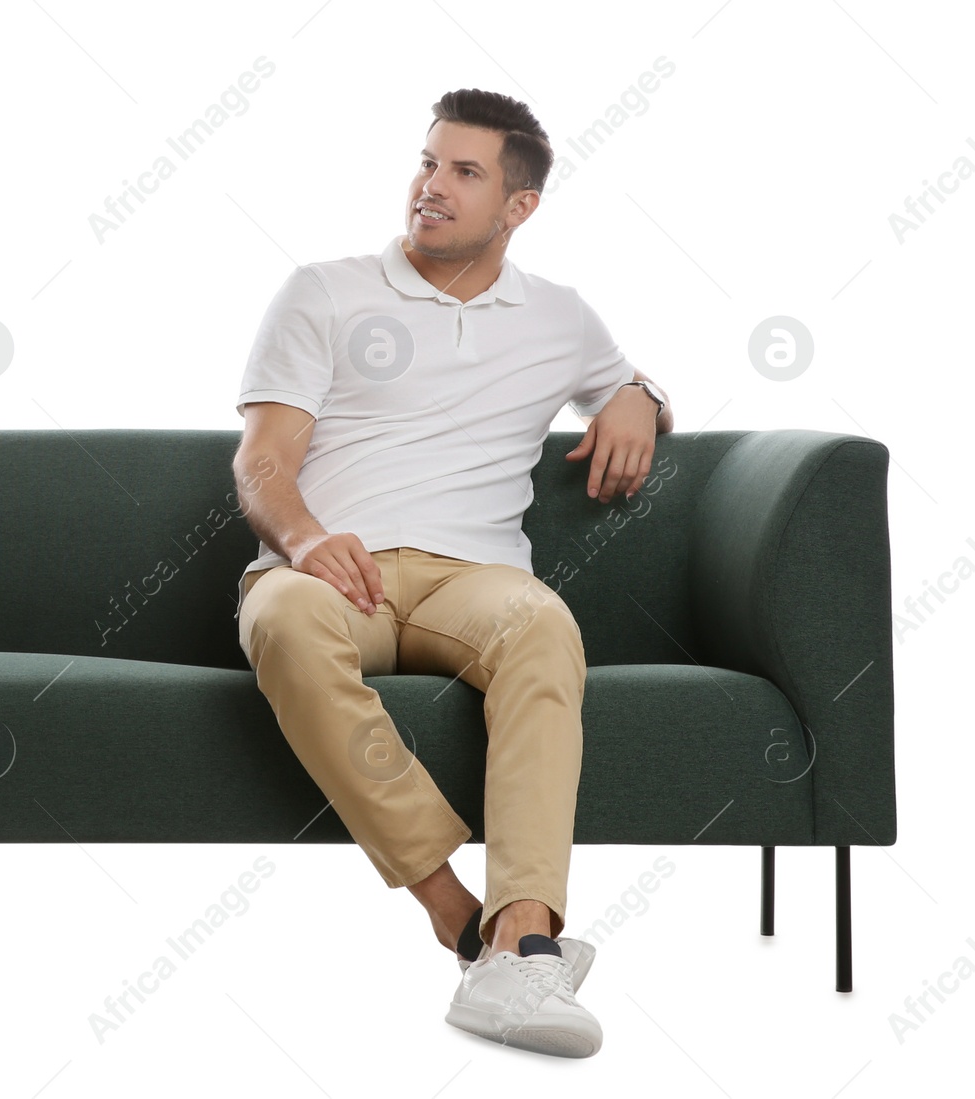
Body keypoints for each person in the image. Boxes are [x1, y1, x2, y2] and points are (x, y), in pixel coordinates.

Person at [231, 87, 672, 1058]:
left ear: (519, 206)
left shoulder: (557, 316)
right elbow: (261, 461)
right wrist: (306, 542)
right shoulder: (326, 289)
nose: (430, 186)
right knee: (286, 622)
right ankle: (454, 915)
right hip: (328, 571)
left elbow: (624, 381)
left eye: (463, 172)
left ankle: (522, 941)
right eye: (427, 162)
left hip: (472, 579)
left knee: (542, 624)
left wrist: (637, 395)